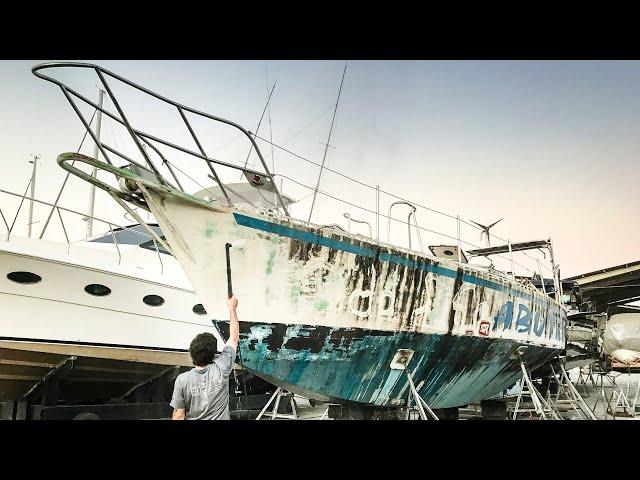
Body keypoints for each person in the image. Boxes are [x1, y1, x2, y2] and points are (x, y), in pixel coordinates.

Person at [170, 296, 239, 420]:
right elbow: (233, 337)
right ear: (213, 355)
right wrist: (232, 307)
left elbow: (179, 415)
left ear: (192, 353)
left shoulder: (182, 380)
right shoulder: (222, 367)